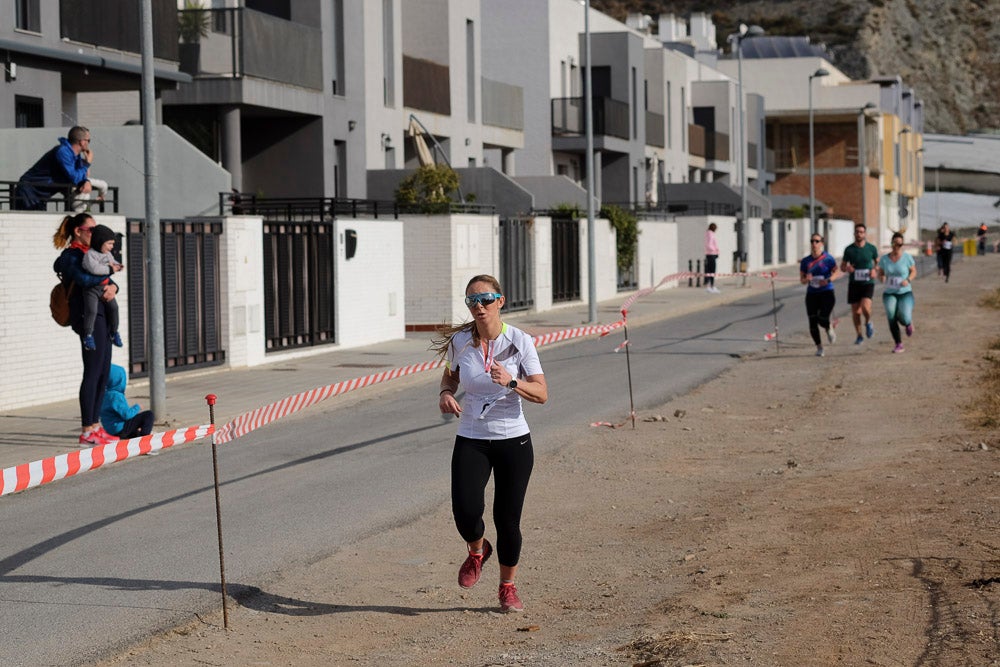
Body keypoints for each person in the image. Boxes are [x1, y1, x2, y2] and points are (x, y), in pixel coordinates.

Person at [433, 275, 548, 613]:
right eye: (472, 301)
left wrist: (512, 381)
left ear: (501, 300)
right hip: (472, 437)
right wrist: (444, 393)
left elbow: (542, 393)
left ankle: (507, 587)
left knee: (507, 519)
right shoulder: (460, 342)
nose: (479, 306)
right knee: (465, 511)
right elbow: (451, 376)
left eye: (486, 299)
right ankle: (478, 550)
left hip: (514, 439)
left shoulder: (520, 341)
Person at [53, 212, 120, 446]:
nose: (95, 232)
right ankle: (86, 431)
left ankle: (96, 426)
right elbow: (83, 279)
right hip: (87, 319)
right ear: (78, 231)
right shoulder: (70, 256)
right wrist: (109, 278)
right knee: (92, 372)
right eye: (90, 229)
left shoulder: (94, 254)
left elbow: (103, 278)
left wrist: (114, 288)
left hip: (103, 315)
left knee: (103, 371)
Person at [15, 126, 105, 212]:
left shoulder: (75, 156)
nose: (89, 143)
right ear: (82, 142)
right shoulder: (63, 152)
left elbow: (79, 175)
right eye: (88, 140)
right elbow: (74, 177)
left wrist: (86, 181)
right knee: (30, 222)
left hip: (41, 193)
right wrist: (87, 163)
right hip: (29, 190)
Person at [80, 224, 124, 351]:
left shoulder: (108, 254)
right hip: (92, 289)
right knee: (91, 311)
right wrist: (111, 269)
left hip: (105, 287)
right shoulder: (90, 255)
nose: (111, 247)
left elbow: (113, 262)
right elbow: (94, 269)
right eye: (109, 243)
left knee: (114, 308)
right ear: (100, 241)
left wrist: (118, 265)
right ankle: (88, 335)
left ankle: (114, 332)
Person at [799, 233, 840, 357]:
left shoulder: (828, 258)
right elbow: (802, 280)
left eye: (817, 241)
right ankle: (819, 347)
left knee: (822, 318)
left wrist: (828, 280)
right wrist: (807, 278)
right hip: (812, 294)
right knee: (812, 321)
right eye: (812, 241)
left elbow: (836, 272)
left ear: (822, 243)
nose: (814, 244)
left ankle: (828, 328)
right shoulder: (806, 261)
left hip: (827, 292)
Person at [878, 232, 917, 353]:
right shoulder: (885, 259)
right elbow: (881, 273)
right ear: (892, 243)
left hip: (905, 292)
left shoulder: (907, 258)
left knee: (904, 317)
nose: (897, 246)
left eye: (900, 244)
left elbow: (914, 272)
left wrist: (908, 280)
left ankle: (908, 323)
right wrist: (882, 278)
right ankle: (898, 343)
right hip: (890, 292)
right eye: (895, 243)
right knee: (891, 316)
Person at [840, 223, 879, 345]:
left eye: (861, 232)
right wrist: (847, 268)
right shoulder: (849, 249)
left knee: (865, 307)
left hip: (868, 283)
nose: (859, 234)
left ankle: (868, 322)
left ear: (865, 234)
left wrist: (874, 270)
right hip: (854, 284)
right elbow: (842, 267)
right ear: (854, 234)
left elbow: (878, 263)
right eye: (857, 232)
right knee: (856, 312)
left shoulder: (871, 248)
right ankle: (859, 335)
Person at [101, 364, 154, 440]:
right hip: (120, 428)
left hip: (110, 429)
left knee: (135, 427)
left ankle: (137, 435)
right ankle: (145, 440)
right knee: (148, 415)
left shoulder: (104, 394)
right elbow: (126, 415)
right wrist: (137, 407)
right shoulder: (116, 395)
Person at [704, 222, 720, 293]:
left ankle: (710, 286)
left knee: (709, 271)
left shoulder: (708, 234)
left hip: (709, 254)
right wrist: (715, 251)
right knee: (712, 271)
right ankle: (711, 286)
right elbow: (709, 244)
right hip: (711, 254)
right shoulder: (710, 234)